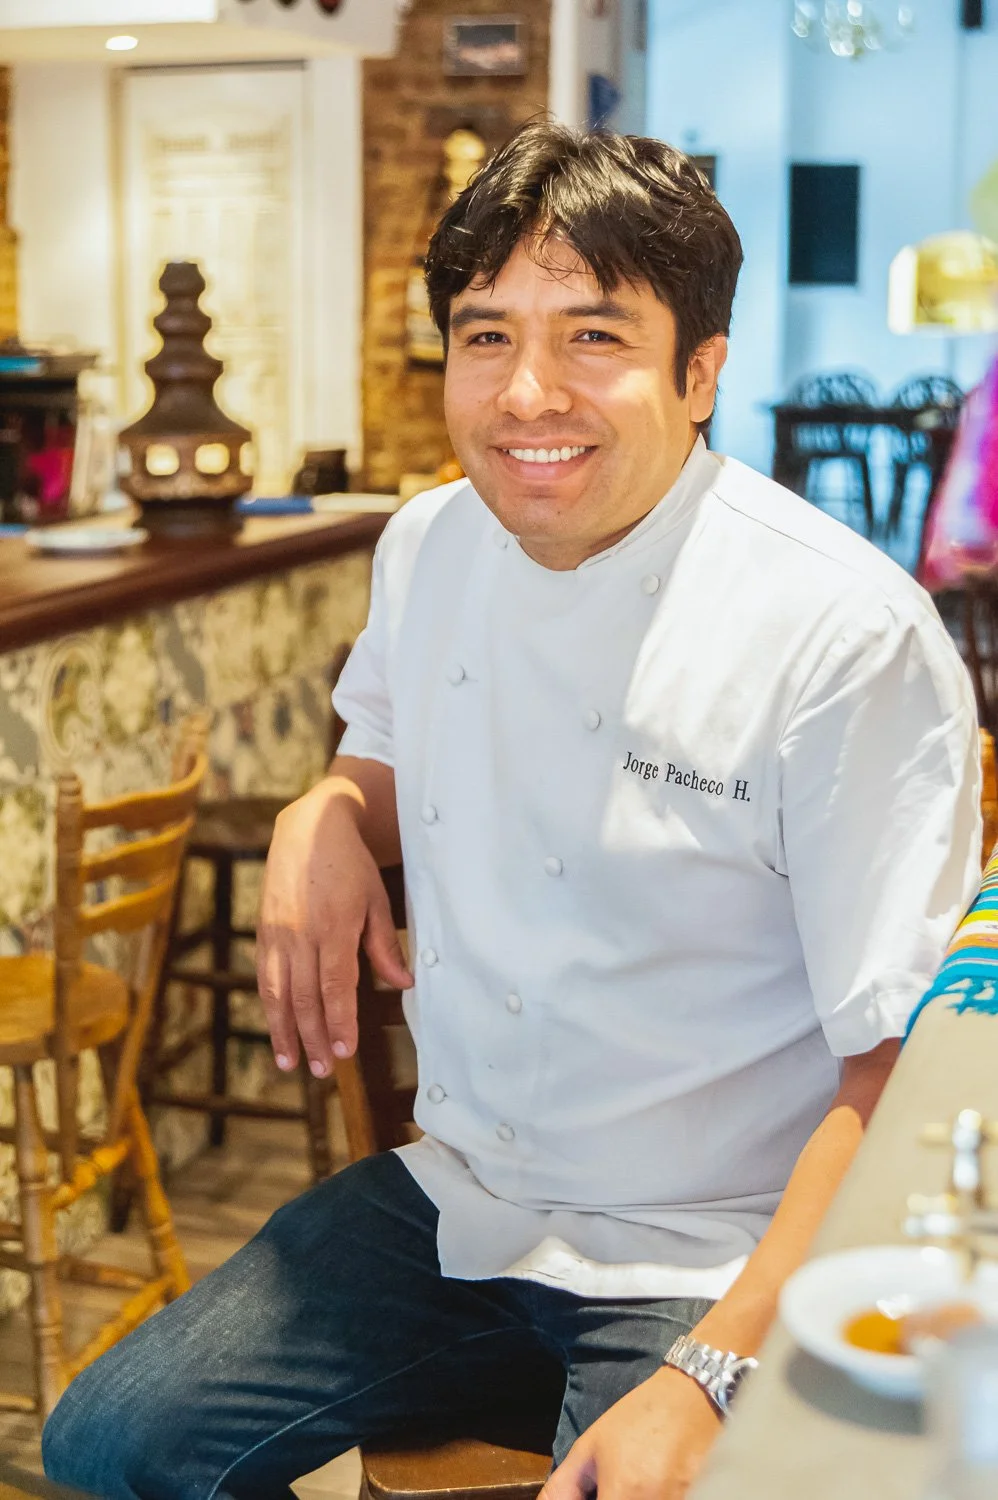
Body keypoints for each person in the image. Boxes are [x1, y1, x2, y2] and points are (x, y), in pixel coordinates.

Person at [44, 121, 980, 1500]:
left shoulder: (840, 633)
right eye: (485, 337)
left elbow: (892, 1070)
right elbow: (382, 757)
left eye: (592, 337)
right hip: (466, 1201)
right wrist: (323, 814)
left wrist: (712, 1373)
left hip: (717, 1245)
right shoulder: (428, 542)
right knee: (110, 1443)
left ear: (700, 369)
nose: (526, 393)